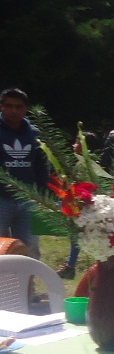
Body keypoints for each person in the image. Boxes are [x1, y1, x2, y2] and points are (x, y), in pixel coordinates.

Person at [0, 88, 47, 259]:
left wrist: (43, 196)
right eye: (8, 106)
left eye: (18, 106)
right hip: (1, 199)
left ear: (25, 108)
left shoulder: (34, 134)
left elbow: (42, 168)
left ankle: (27, 285)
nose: (13, 110)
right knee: (1, 248)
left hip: (28, 200)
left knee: (29, 248)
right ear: (1, 107)